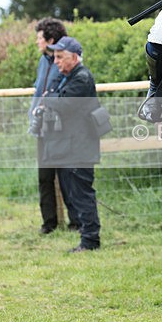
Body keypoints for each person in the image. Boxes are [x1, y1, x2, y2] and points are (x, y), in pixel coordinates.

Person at [35, 36, 101, 252]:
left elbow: (59, 104)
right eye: (54, 57)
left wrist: (51, 98)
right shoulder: (66, 77)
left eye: (60, 57)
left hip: (79, 147)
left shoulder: (81, 78)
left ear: (74, 57)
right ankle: (87, 238)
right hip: (67, 146)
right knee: (73, 194)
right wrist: (52, 98)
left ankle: (90, 240)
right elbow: (49, 98)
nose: (56, 62)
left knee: (82, 195)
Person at [29, 17, 78, 234]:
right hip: (42, 128)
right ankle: (49, 224)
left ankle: (76, 222)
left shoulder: (66, 63)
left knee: (67, 176)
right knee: (45, 178)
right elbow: (39, 91)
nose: (37, 42)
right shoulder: (43, 61)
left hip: (61, 129)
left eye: (39, 38)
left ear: (50, 39)